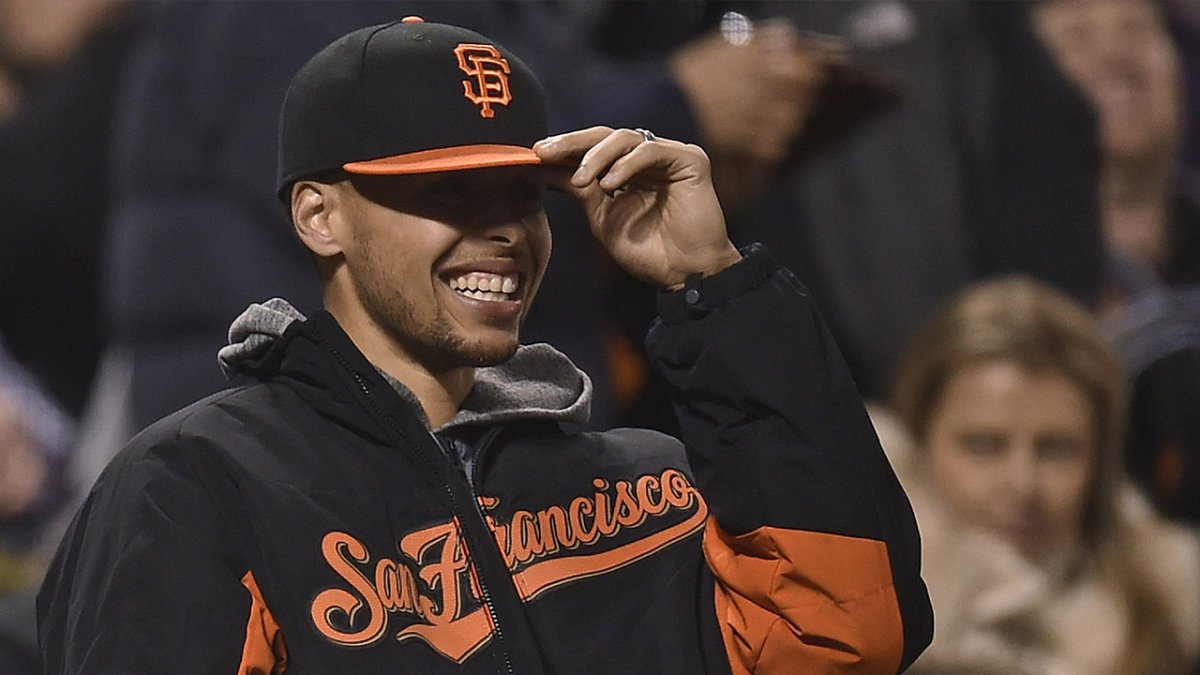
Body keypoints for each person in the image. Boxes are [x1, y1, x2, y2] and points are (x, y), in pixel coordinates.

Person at [35, 18, 932, 673]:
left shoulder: (648, 484)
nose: (502, 231)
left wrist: (714, 285)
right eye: (448, 195)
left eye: (519, 194)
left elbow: (847, 631)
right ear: (319, 214)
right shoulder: (198, 483)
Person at [883, 276, 1200, 674]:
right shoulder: (858, 625)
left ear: (1102, 461)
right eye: (984, 445)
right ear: (920, 441)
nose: (1023, 484)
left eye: (1057, 449)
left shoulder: (1168, 608)